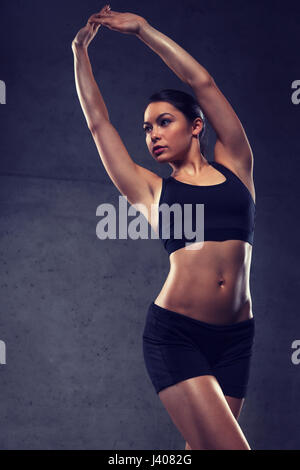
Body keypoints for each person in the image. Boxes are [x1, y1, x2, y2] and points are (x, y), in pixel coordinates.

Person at [72, 4, 256, 451]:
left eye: (163, 122)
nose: (152, 134)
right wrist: (79, 52)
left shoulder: (236, 163)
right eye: (146, 128)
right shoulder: (152, 191)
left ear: (196, 126)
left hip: (236, 338)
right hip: (176, 335)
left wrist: (144, 30)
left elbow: (202, 83)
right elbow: (99, 125)